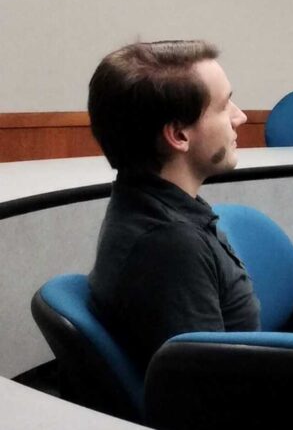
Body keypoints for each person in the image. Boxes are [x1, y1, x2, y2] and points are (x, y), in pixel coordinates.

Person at [87, 40, 259, 370]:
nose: (241, 117)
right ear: (179, 135)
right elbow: (207, 391)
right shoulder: (169, 245)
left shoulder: (146, 204)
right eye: (224, 106)